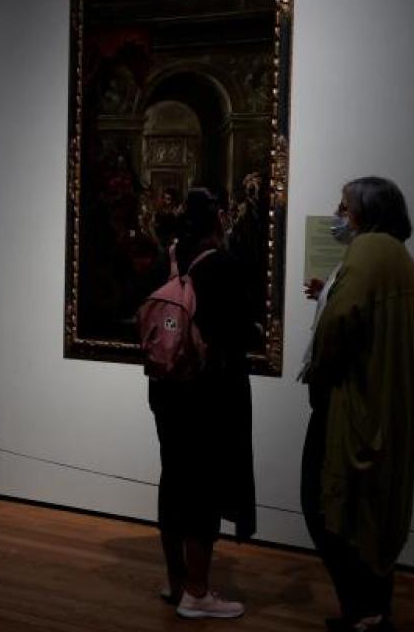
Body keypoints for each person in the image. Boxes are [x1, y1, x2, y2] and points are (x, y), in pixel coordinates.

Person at [301, 177, 414, 632]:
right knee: (372, 512)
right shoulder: (398, 255)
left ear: (366, 212)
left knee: (322, 504)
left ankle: (361, 610)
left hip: (352, 407)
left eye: (343, 205)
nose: (337, 213)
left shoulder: (367, 252)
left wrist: (320, 370)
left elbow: (339, 327)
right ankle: (373, 610)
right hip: (382, 406)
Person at [148, 188, 256, 620]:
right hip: (209, 392)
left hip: (167, 387)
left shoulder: (167, 261)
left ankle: (176, 581)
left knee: (174, 478)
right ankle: (197, 591)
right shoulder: (224, 267)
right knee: (203, 488)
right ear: (217, 222)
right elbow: (241, 330)